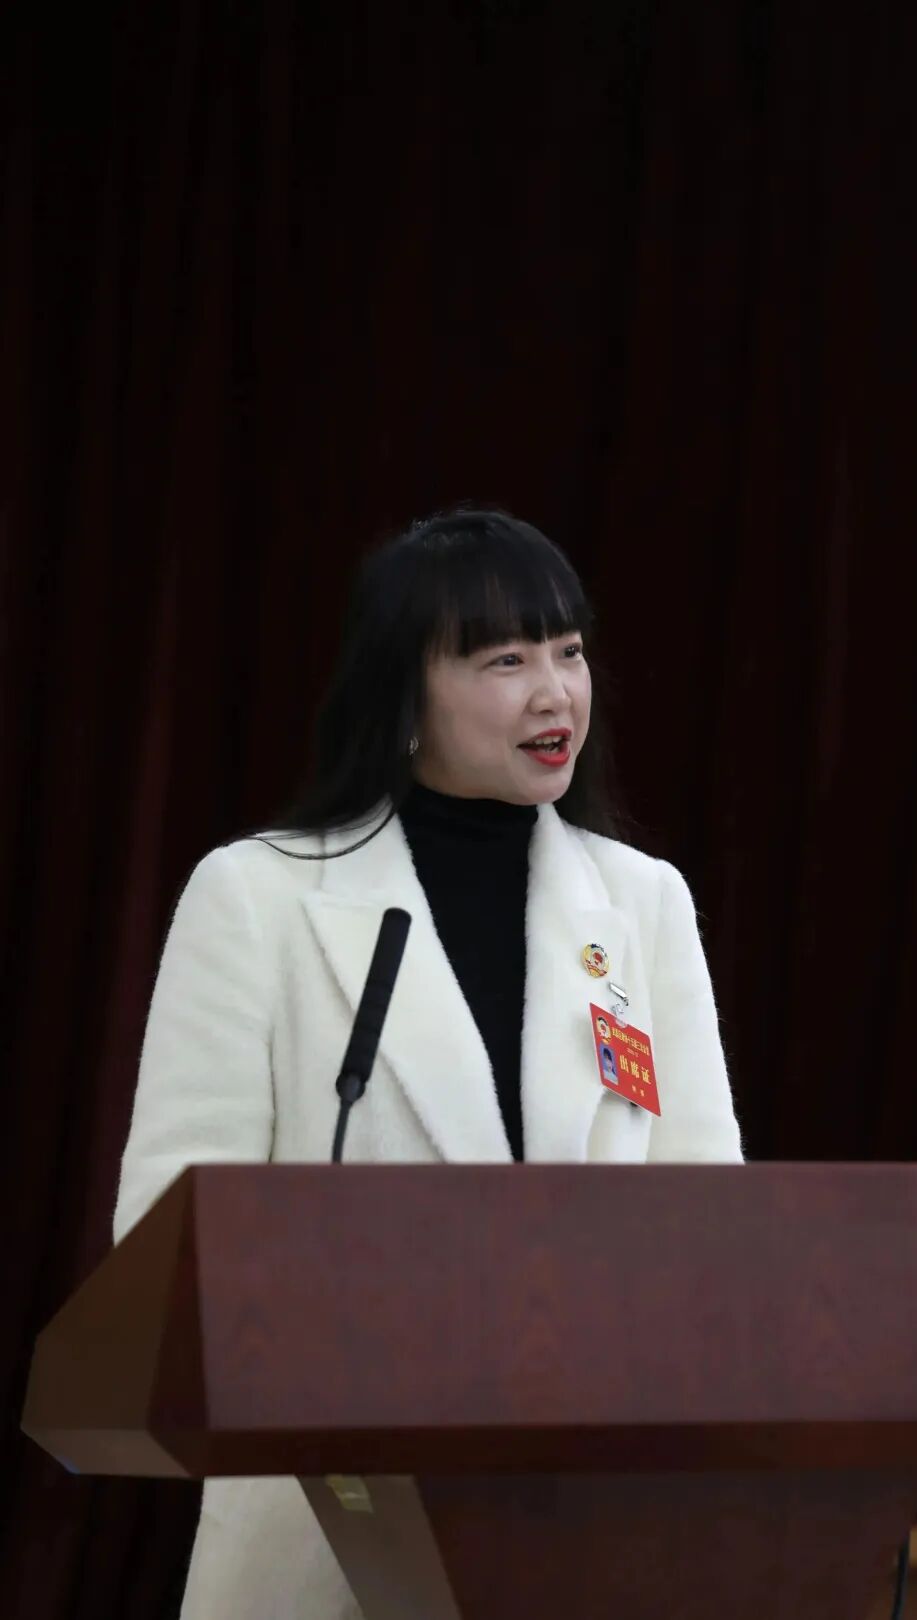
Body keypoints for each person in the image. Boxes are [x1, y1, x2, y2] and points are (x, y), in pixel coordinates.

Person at [113, 505, 745, 1619]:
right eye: (505, 661)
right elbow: (167, 1235)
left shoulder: (640, 904)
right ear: (404, 695)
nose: (555, 694)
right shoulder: (258, 897)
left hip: (584, 1526)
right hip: (330, 1531)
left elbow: (709, 1221)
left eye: (568, 652)